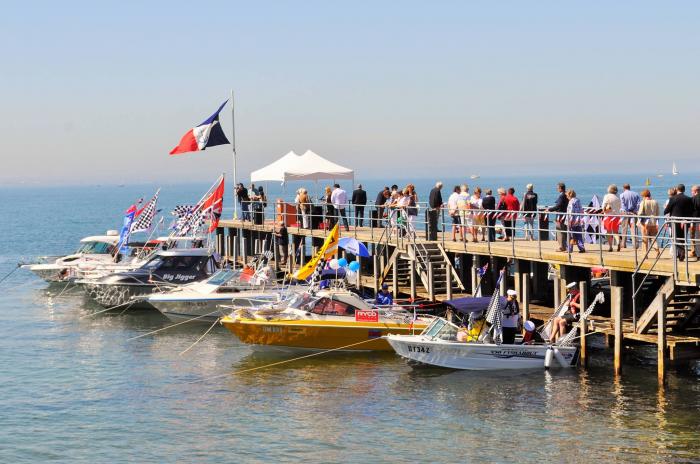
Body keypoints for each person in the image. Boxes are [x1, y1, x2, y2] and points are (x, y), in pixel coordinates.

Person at [664, 183, 695, 261]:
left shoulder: (673, 198)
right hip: (685, 221)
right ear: (684, 190)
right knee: (683, 238)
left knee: (675, 238)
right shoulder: (689, 199)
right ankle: (680, 254)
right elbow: (692, 211)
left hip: (675, 221)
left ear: (677, 190)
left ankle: (681, 253)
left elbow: (666, 211)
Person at [547, 182, 569, 252]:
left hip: (561, 216)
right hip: (565, 215)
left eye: (557, 188)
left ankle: (562, 247)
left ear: (560, 188)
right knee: (564, 231)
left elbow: (558, 205)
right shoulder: (566, 194)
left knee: (560, 231)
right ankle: (564, 246)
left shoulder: (562, 195)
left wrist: (549, 210)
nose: (557, 189)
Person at [637, 189, 660, 255]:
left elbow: (640, 213)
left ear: (644, 196)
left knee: (645, 238)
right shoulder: (655, 202)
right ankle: (656, 248)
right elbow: (658, 213)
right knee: (653, 237)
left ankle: (645, 254)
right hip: (654, 222)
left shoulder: (643, 202)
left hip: (645, 223)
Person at [619, 183, 642, 249]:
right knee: (634, 229)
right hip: (634, 213)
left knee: (624, 229)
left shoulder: (622, 195)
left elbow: (623, 205)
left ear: (624, 188)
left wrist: (627, 212)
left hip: (625, 213)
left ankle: (623, 244)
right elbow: (638, 204)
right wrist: (634, 211)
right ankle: (635, 245)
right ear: (629, 187)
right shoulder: (636, 194)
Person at [602, 184, 622, 252]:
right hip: (616, 216)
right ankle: (618, 241)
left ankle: (610, 247)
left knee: (608, 232)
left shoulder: (607, 196)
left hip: (608, 216)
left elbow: (603, 206)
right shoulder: (618, 196)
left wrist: (604, 209)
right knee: (615, 231)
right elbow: (620, 206)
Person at [690, 185, 700, 259]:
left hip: (694, 220)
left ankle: (696, 253)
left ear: (695, 191)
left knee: (695, 237)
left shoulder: (692, 199)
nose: (691, 192)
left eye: (692, 191)